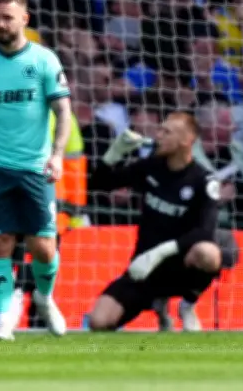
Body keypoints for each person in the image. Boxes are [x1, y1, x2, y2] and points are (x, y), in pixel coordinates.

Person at [0, 0, 70, 341]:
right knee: (0, 242)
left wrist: (57, 154)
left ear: (24, 19)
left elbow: (63, 111)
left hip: (36, 169)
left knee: (43, 247)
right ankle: (4, 319)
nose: (0, 24)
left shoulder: (44, 60)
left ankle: (44, 297)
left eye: (7, 17)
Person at [86, 113, 224, 331]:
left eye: (166, 132)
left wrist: (160, 252)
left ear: (186, 140)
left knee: (209, 253)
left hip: (181, 267)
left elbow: (205, 231)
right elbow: (98, 184)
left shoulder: (203, 180)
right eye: (159, 129)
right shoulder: (151, 167)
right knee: (98, 322)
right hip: (145, 267)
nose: (158, 135)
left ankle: (187, 306)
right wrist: (114, 153)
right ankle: (158, 305)